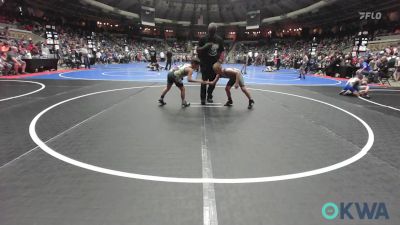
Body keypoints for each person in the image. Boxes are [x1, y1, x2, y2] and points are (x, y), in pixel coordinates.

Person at [197, 23, 224, 105]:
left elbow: (222, 51)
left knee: (213, 82)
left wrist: (220, 60)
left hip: (214, 65)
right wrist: (206, 46)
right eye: (211, 31)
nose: (212, 32)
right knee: (204, 82)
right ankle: (202, 98)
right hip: (204, 64)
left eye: (213, 31)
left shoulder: (219, 40)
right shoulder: (203, 39)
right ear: (208, 30)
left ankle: (209, 96)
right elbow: (198, 50)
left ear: (215, 31)